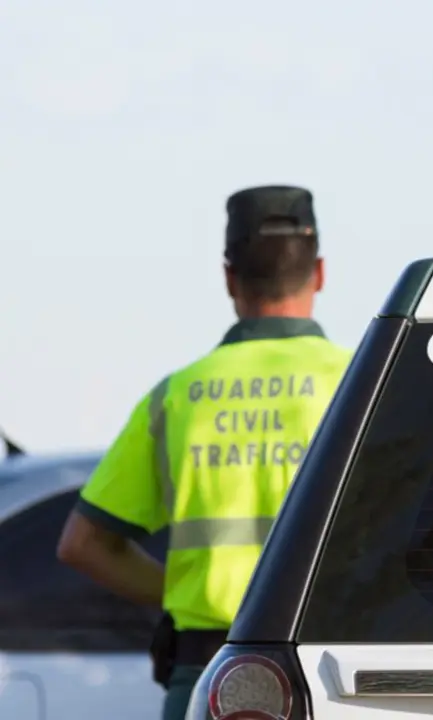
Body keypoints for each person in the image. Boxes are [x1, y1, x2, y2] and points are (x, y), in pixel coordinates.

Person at [56, 185, 353, 720]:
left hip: (206, 674)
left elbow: (83, 544)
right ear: (321, 272)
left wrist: (182, 594)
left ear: (229, 278)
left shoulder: (176, 396)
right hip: (334, 674)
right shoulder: (362, 385)